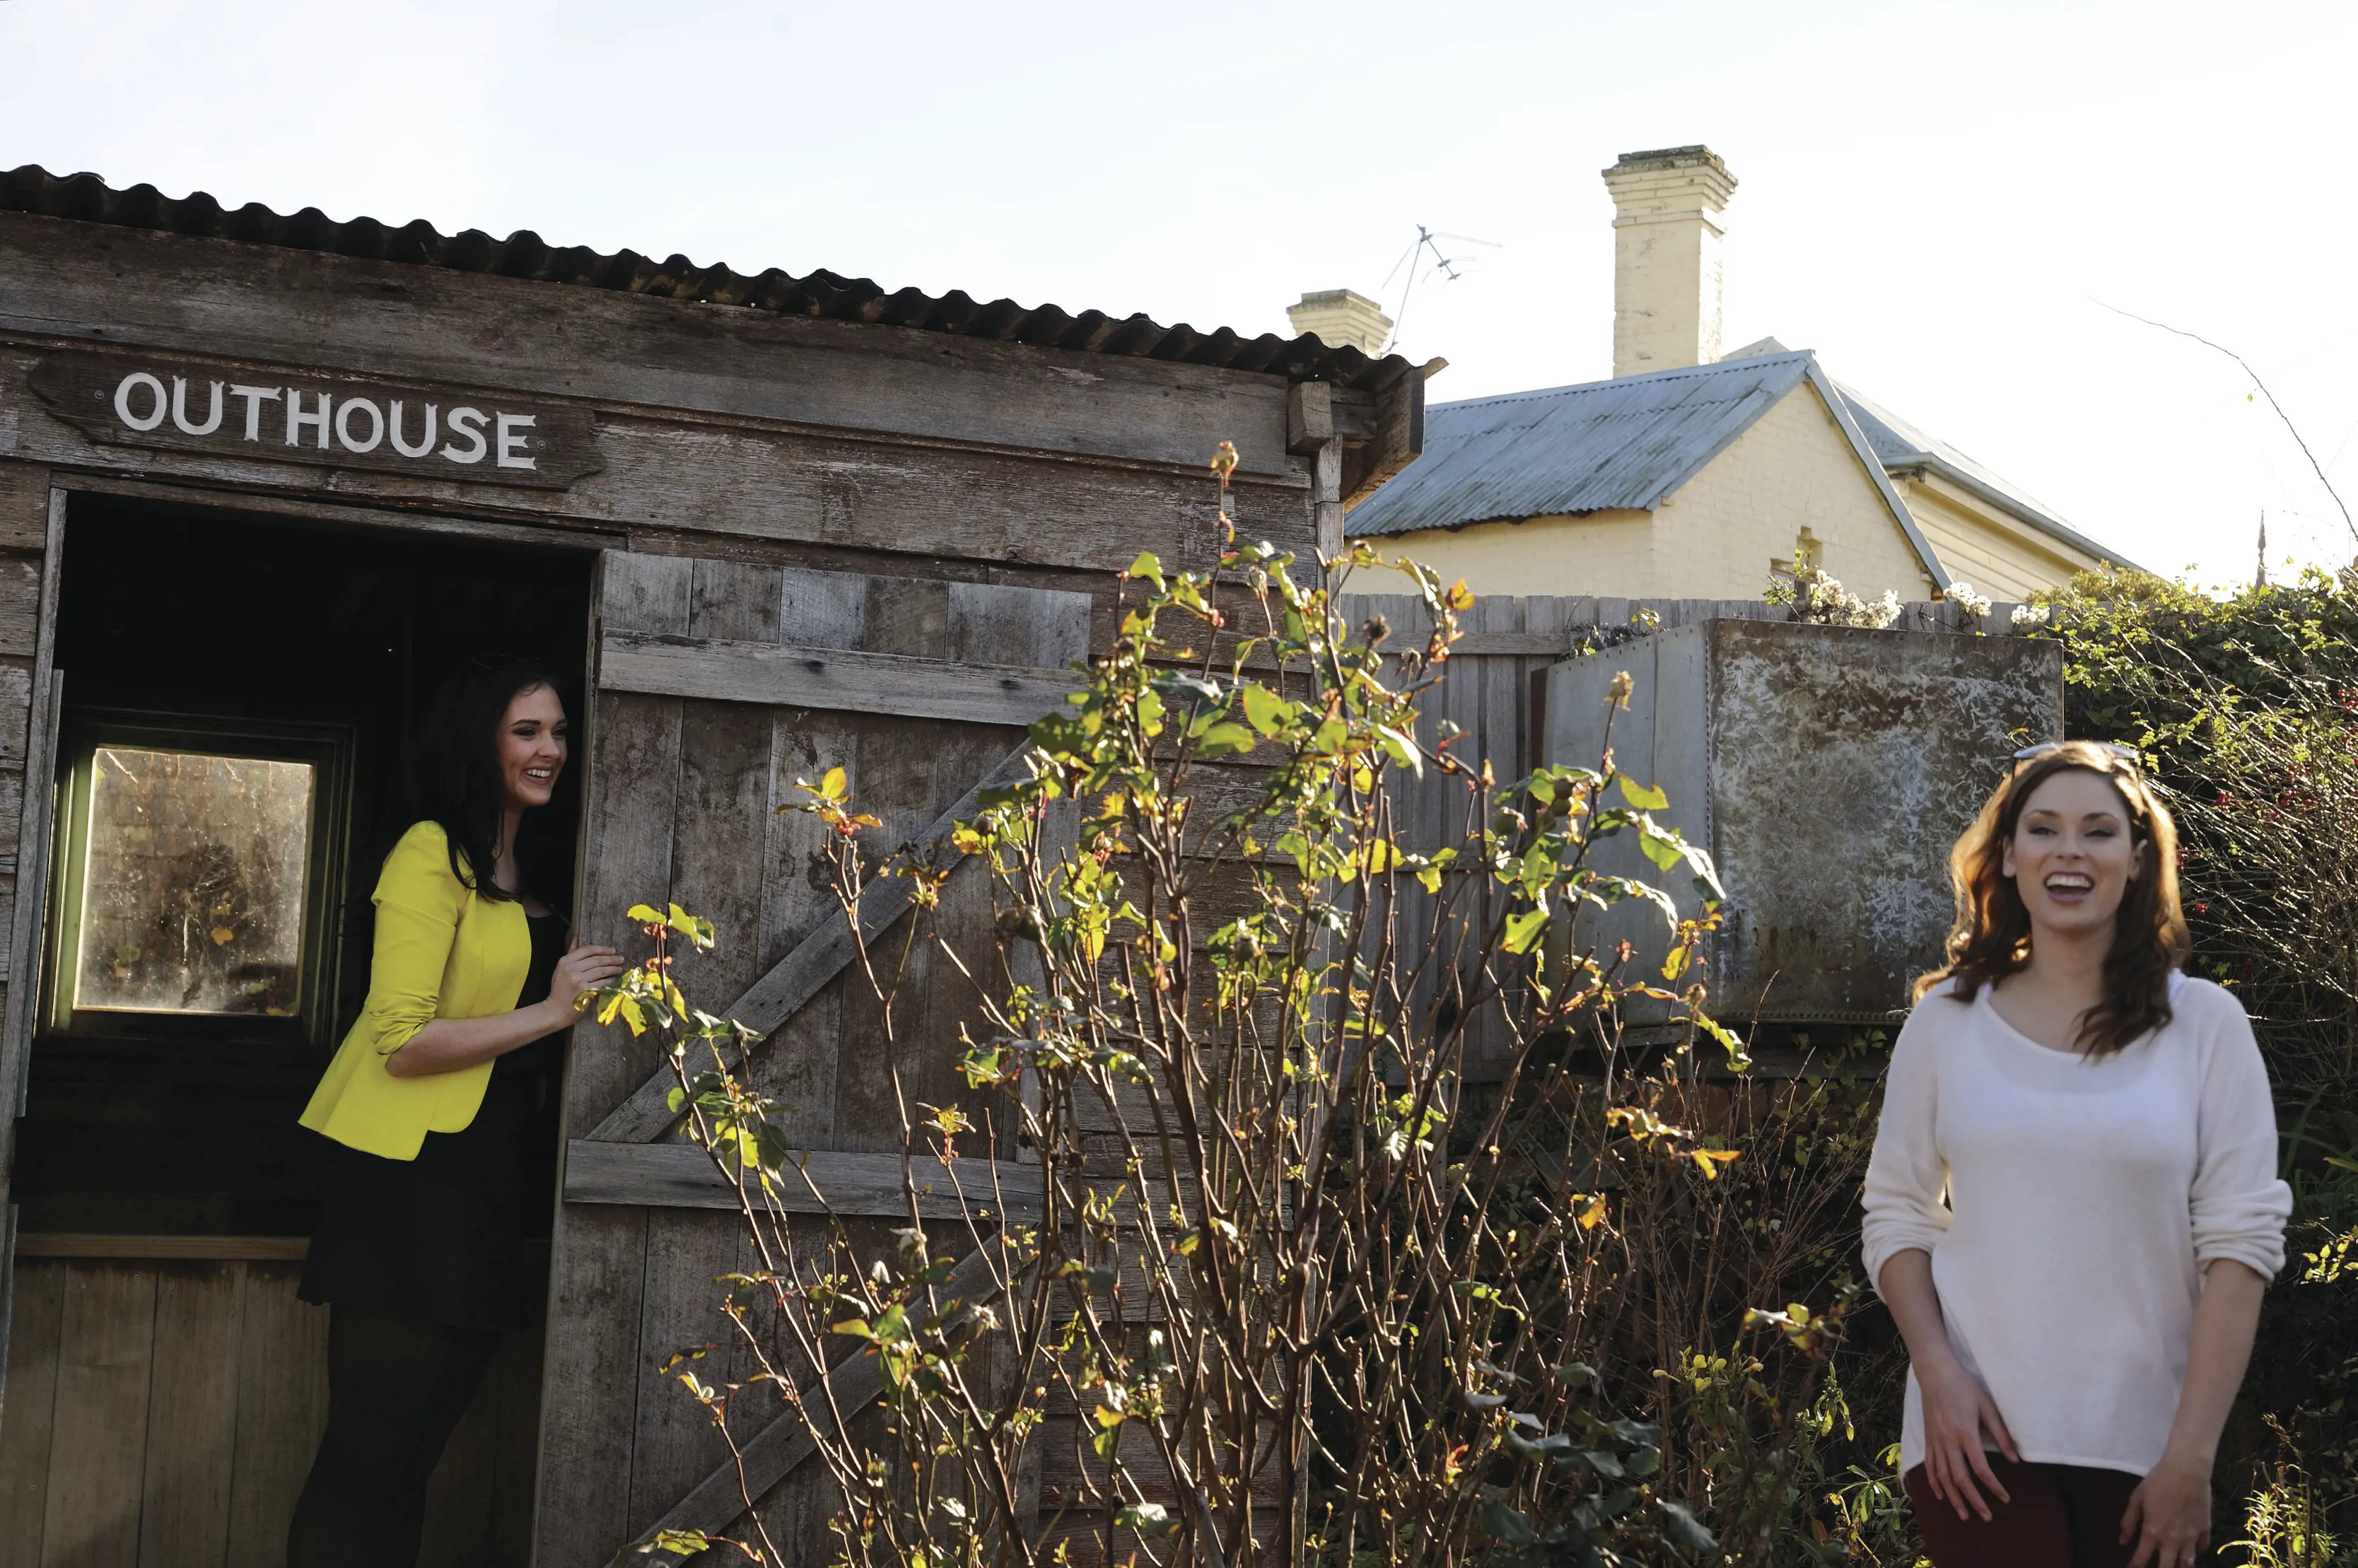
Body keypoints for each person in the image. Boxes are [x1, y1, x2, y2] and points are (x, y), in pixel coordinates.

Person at [1862, 739, 2291, 1568]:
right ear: (2010, 857)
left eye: (2097, 831)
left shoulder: (2205, 1025)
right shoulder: (1944, 1024)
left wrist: (2191, 1456)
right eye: (2043, 828)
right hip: (1972, 1442)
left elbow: (2239, 1250)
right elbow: (1895, 1216)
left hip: (2148, 1449)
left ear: (2136, 860)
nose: (2068, 850)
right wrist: (1938, 1376)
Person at [287, 658, 624, 1568]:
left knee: (412, 1462)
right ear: (480, 740)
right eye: (527, 731)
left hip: (480, 1187)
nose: (551, 749)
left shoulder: (527, 857)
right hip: (405, 1185)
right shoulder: (430, 850)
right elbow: (398, 1039)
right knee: (368, 1459)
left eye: (558, 731)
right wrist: (552, 1011)